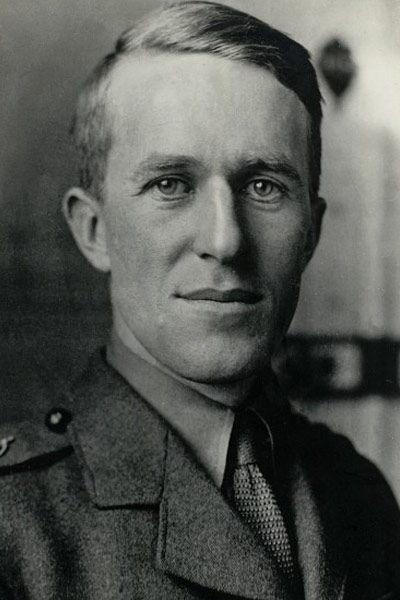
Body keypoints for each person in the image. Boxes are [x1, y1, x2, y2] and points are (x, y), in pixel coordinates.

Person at [0, 2, 399, 598]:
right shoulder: (15, 523)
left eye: (263, 186)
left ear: (311, 234)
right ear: (94, 230)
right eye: (171, 184)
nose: (225, 240)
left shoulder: (359, 494)